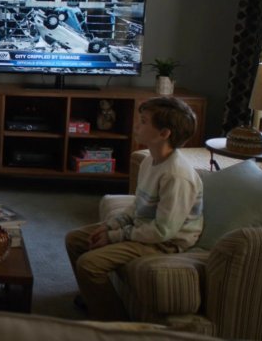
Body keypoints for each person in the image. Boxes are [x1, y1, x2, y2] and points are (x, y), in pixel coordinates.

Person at [64, 96, 203, 320]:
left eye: (144, 121)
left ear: (164, 133)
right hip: (145, 229)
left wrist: (115, 237)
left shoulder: (177, 176)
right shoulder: (150, 160)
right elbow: (137, 206)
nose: (136, 125)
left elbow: (162, 231)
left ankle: (115, 322)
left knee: (89, 264)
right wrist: (111, 225)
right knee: (75, 239)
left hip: (165, 243)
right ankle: (95, 298)